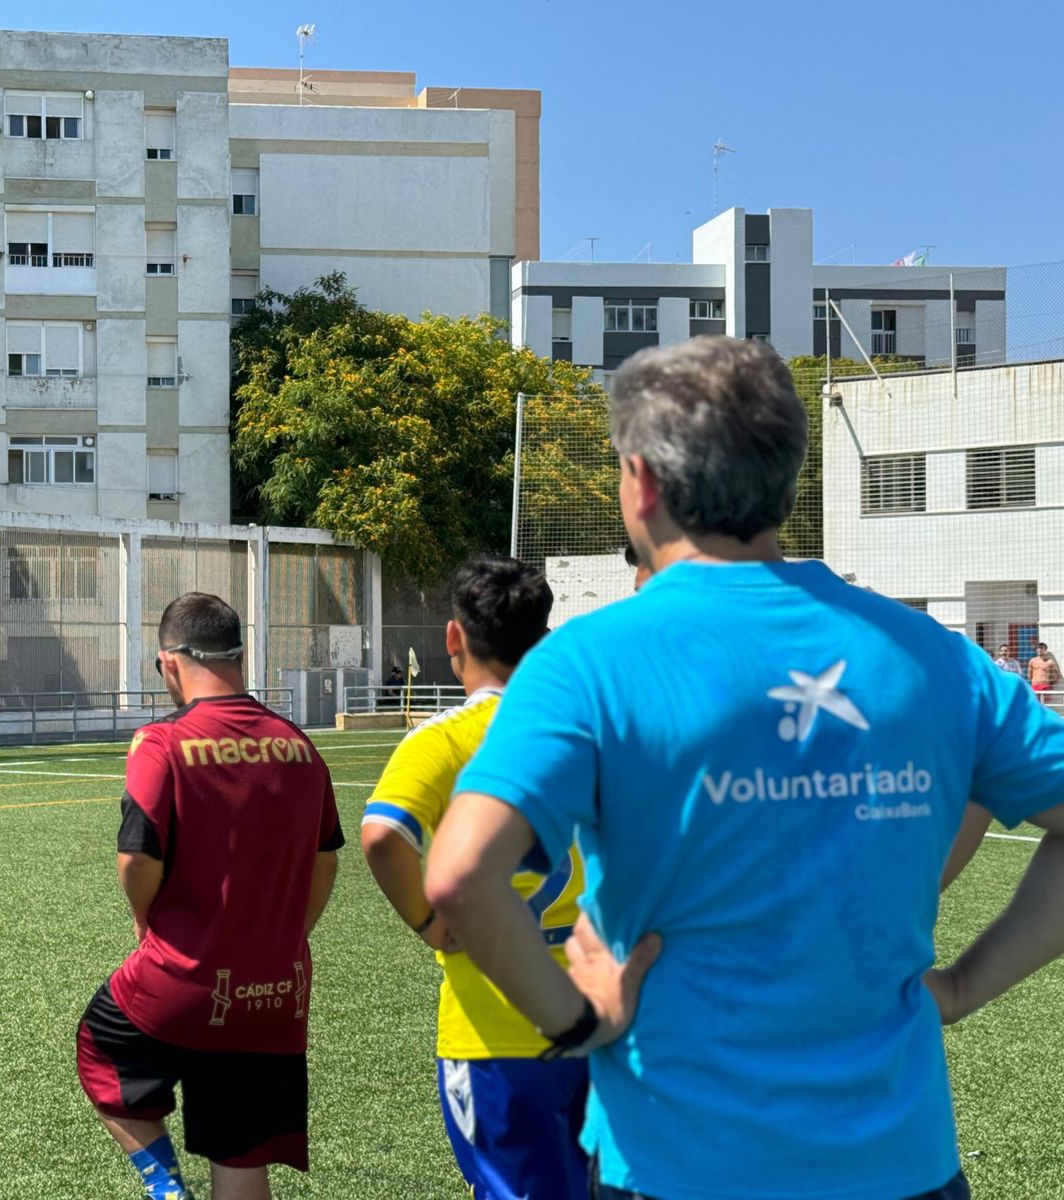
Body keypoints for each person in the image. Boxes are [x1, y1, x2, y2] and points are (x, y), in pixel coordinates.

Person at [425, 335, 1064, 1200]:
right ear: (787, 477)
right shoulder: (934, 657)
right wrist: (961, 986)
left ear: (641, 481)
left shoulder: (587, 661)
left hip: (674, 1164)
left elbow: (459, 875)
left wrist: (578, 1020)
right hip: (902, 1166)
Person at [76, 593, 343, 1200]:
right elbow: (326, 858)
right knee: (240, 1150)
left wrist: (144, 921)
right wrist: (287, 936)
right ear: (239, 656)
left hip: (184, 977)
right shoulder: (299, 744)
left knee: (101, 1046)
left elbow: (137, 855)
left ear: (169, 663)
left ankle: (167, 1188)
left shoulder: (162, 742)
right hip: (276, 989)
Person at [361, 556, 589, 1200]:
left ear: (453, 637)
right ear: (544, 638)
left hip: (494, 1031)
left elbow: (382, 835)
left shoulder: (444, 740)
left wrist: (430, 924)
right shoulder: (592, 731)